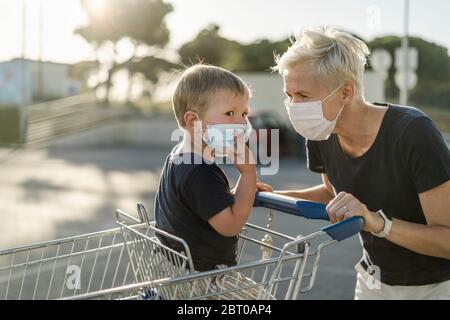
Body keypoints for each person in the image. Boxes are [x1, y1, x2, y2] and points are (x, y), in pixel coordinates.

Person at [271, 27, 450, 299]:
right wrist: (264, 195)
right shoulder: (321, 131)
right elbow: (334, 196)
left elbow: (447, 239)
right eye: (289, 95)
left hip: (434, 288)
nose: (293, 105)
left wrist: (378, 223)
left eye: (303, 96)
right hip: (372, 281)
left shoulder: (413, 133)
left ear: (345, 92)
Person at [153, 64, 272, 299]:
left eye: (244, 114)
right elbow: (230, 226)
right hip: (205, 279)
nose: (240, 123)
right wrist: (248, 174)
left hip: (178, 271)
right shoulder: (200, 171)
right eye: (230, 113)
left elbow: (205, 205)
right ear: (192, 121)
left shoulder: (180, 157)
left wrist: (242, 191)